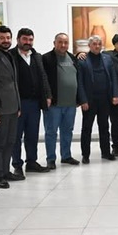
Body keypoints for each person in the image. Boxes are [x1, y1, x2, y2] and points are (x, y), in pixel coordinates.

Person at [10, 28, 52, 175]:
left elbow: (43, 76)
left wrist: (47, 95)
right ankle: (17, 165)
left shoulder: (36, 56)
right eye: (25, 39)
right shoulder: (11, 56)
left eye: (30, 39)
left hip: (34, 103)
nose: (28, 42)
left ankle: (32, 162)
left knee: (32, 134)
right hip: (18, 103)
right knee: (16, 136)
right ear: (18, 40)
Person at [42, 33, 83, 168]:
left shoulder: (72, 58)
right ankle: (51, 159)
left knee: (67, 131)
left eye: (66, 42)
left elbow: (77, 78)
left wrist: (79, 99)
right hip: (54, 104)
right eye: (60, 42)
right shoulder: (46, 58)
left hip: (71, 104)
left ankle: (66, 156)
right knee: (51, 132)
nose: (63, 45)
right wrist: (46, 96)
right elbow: (43, 79)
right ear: (54, 43)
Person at [0, 26, 23, 188]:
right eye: (2, 38)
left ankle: (6, 171)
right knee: (0, 143)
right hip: (0, 108)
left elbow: (14, 83)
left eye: (8, 37)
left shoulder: (10, 55)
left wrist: (18, 105)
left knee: (10, 141)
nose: (6, 40)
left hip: (13, 106)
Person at [78, 35, 118, 164]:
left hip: (104, 99)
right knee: (87, 128)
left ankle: (106, 152)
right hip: (89, 101)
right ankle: (85, 155)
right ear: (89, 46)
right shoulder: (83, 60)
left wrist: (115, 95)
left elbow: (113, 77)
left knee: (104, 127)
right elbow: (79, 82)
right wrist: (83, 100)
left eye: (99, 44)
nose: (97, 46)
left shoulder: (107, 59)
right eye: (94, 44)